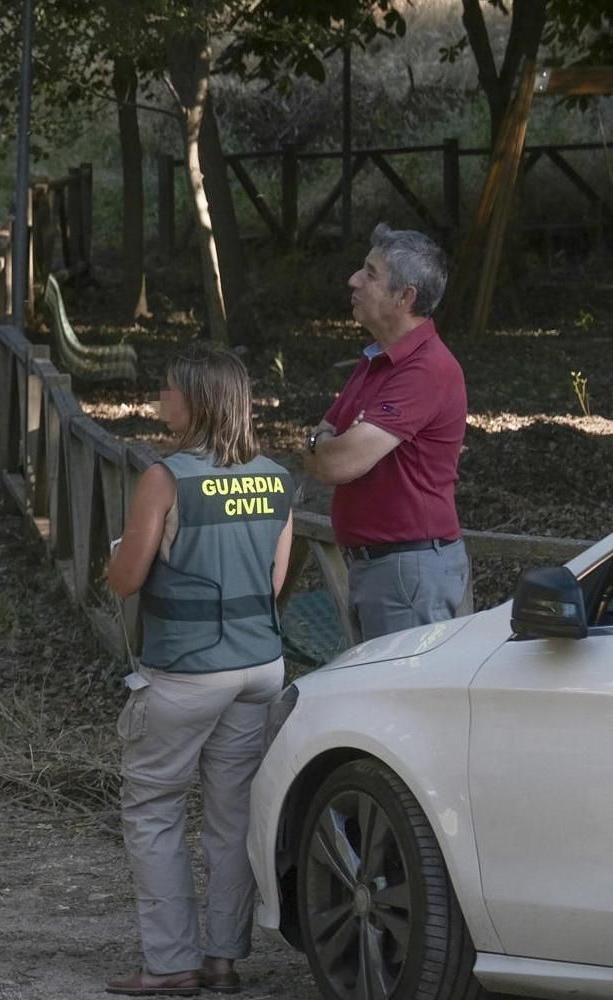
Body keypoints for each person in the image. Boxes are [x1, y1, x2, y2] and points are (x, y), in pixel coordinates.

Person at [102, 346, 294, 996]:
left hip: (186, 671)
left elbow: (126, 580)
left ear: (198, 402)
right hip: (260, 666)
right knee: (232, 814)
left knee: (154, 809)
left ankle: (170, 964)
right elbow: (276, 582)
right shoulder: (276, 477)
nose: (161, 400)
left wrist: (117, 559)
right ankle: (222, 959)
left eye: (169, 391)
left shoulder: (168, 477)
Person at [304, 223, 468, 642]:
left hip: (406, 573)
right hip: (385, 569)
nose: (353, 280)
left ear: (405, 297)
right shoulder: (378, 360)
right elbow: (322, 454)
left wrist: (321, 443)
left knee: (406, 704)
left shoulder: (426, 369)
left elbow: (337, 461)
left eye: (370, 273)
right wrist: (322, 445)